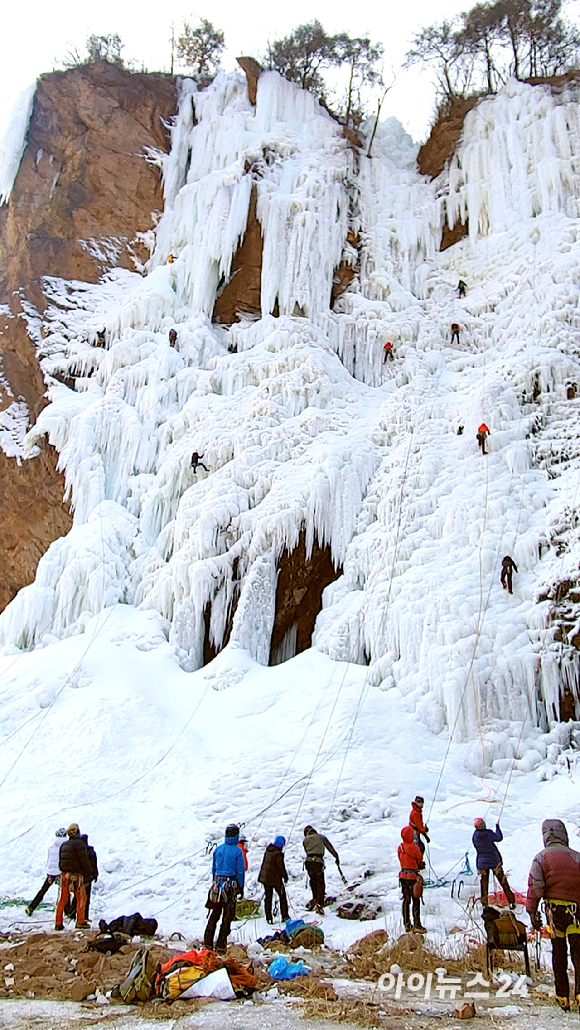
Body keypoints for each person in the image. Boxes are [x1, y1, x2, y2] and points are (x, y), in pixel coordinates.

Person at [526, 819, 580, 1011]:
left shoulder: (540, 858)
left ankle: (562, 996)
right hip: (577, 913)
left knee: (559, 954)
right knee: (578, 954)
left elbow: (536, 886)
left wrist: (532, 911)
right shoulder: (577, 857)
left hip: (555, 913)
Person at [204, 824, 245, 954]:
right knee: (227, 917)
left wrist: (215, 883)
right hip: (230, 886)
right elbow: (240, 871)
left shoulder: (218, 849)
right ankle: (221, 945)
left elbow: (213, 869)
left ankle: (207, 944)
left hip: (217, 885)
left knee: (214, 915)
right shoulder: (238, 851)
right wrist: (241, 887)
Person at [55, 824, 92, 930]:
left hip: (65, 874)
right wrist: (87, 875)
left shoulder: (64, 845)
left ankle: (58, 922)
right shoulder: (80, 844)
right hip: (76, 875)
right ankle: (80, 921)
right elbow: (84, 861)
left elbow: (61, 862)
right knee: (81, 897)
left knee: (63, 898)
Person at [472, 818, 515, 908]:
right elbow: (499, 838)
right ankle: (511, 901)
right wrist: (498, 828)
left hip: (482, 863)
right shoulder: (488, 833)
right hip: (494, 861)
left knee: (484, 885)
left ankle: (485, 904)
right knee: (503, 882)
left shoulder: (475, 836)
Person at [25, 827, 66, 916]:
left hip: (51, 873)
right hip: (60, 873)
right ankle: (67, 911)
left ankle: (31, 907)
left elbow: (50, 860)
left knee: (43, 890)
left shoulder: (51, 847)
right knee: (65, 892)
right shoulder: (65, 847)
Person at [303, 825, 339, 915]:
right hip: (318, 862)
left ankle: (315, 899)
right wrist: (336, 856)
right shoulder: (321, 837)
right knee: (320, 882)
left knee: (313, 881)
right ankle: (320, 903)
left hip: (309, 862)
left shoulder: (305, 840)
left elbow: (306, 850)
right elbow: (330, 847)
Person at [398, 825, 426, 933]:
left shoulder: (400, 847)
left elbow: (400, 859)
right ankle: (417, 924)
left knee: (406, 901)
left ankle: (407, 924)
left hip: (403, 876)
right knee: (416, 900)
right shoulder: (414, 848)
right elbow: (420, 858)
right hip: (413, 877)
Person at [65, 834, 98, 920]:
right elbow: (94, 865)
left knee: (77, 897)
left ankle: (72, 913)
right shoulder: (91, 851)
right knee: (86, 898)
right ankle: (84, 916)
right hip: (88, 878)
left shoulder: (79, 852)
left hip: (80, 877)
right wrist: (95, 875)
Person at [258, 836, 289, 924]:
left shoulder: (268, 851)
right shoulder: (277, 854)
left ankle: (269, 917)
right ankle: (285, 916)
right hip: (274, 878)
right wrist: (285, 877)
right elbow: (281, 867)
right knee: (282, 896)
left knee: (268, 897)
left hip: (265, 878)